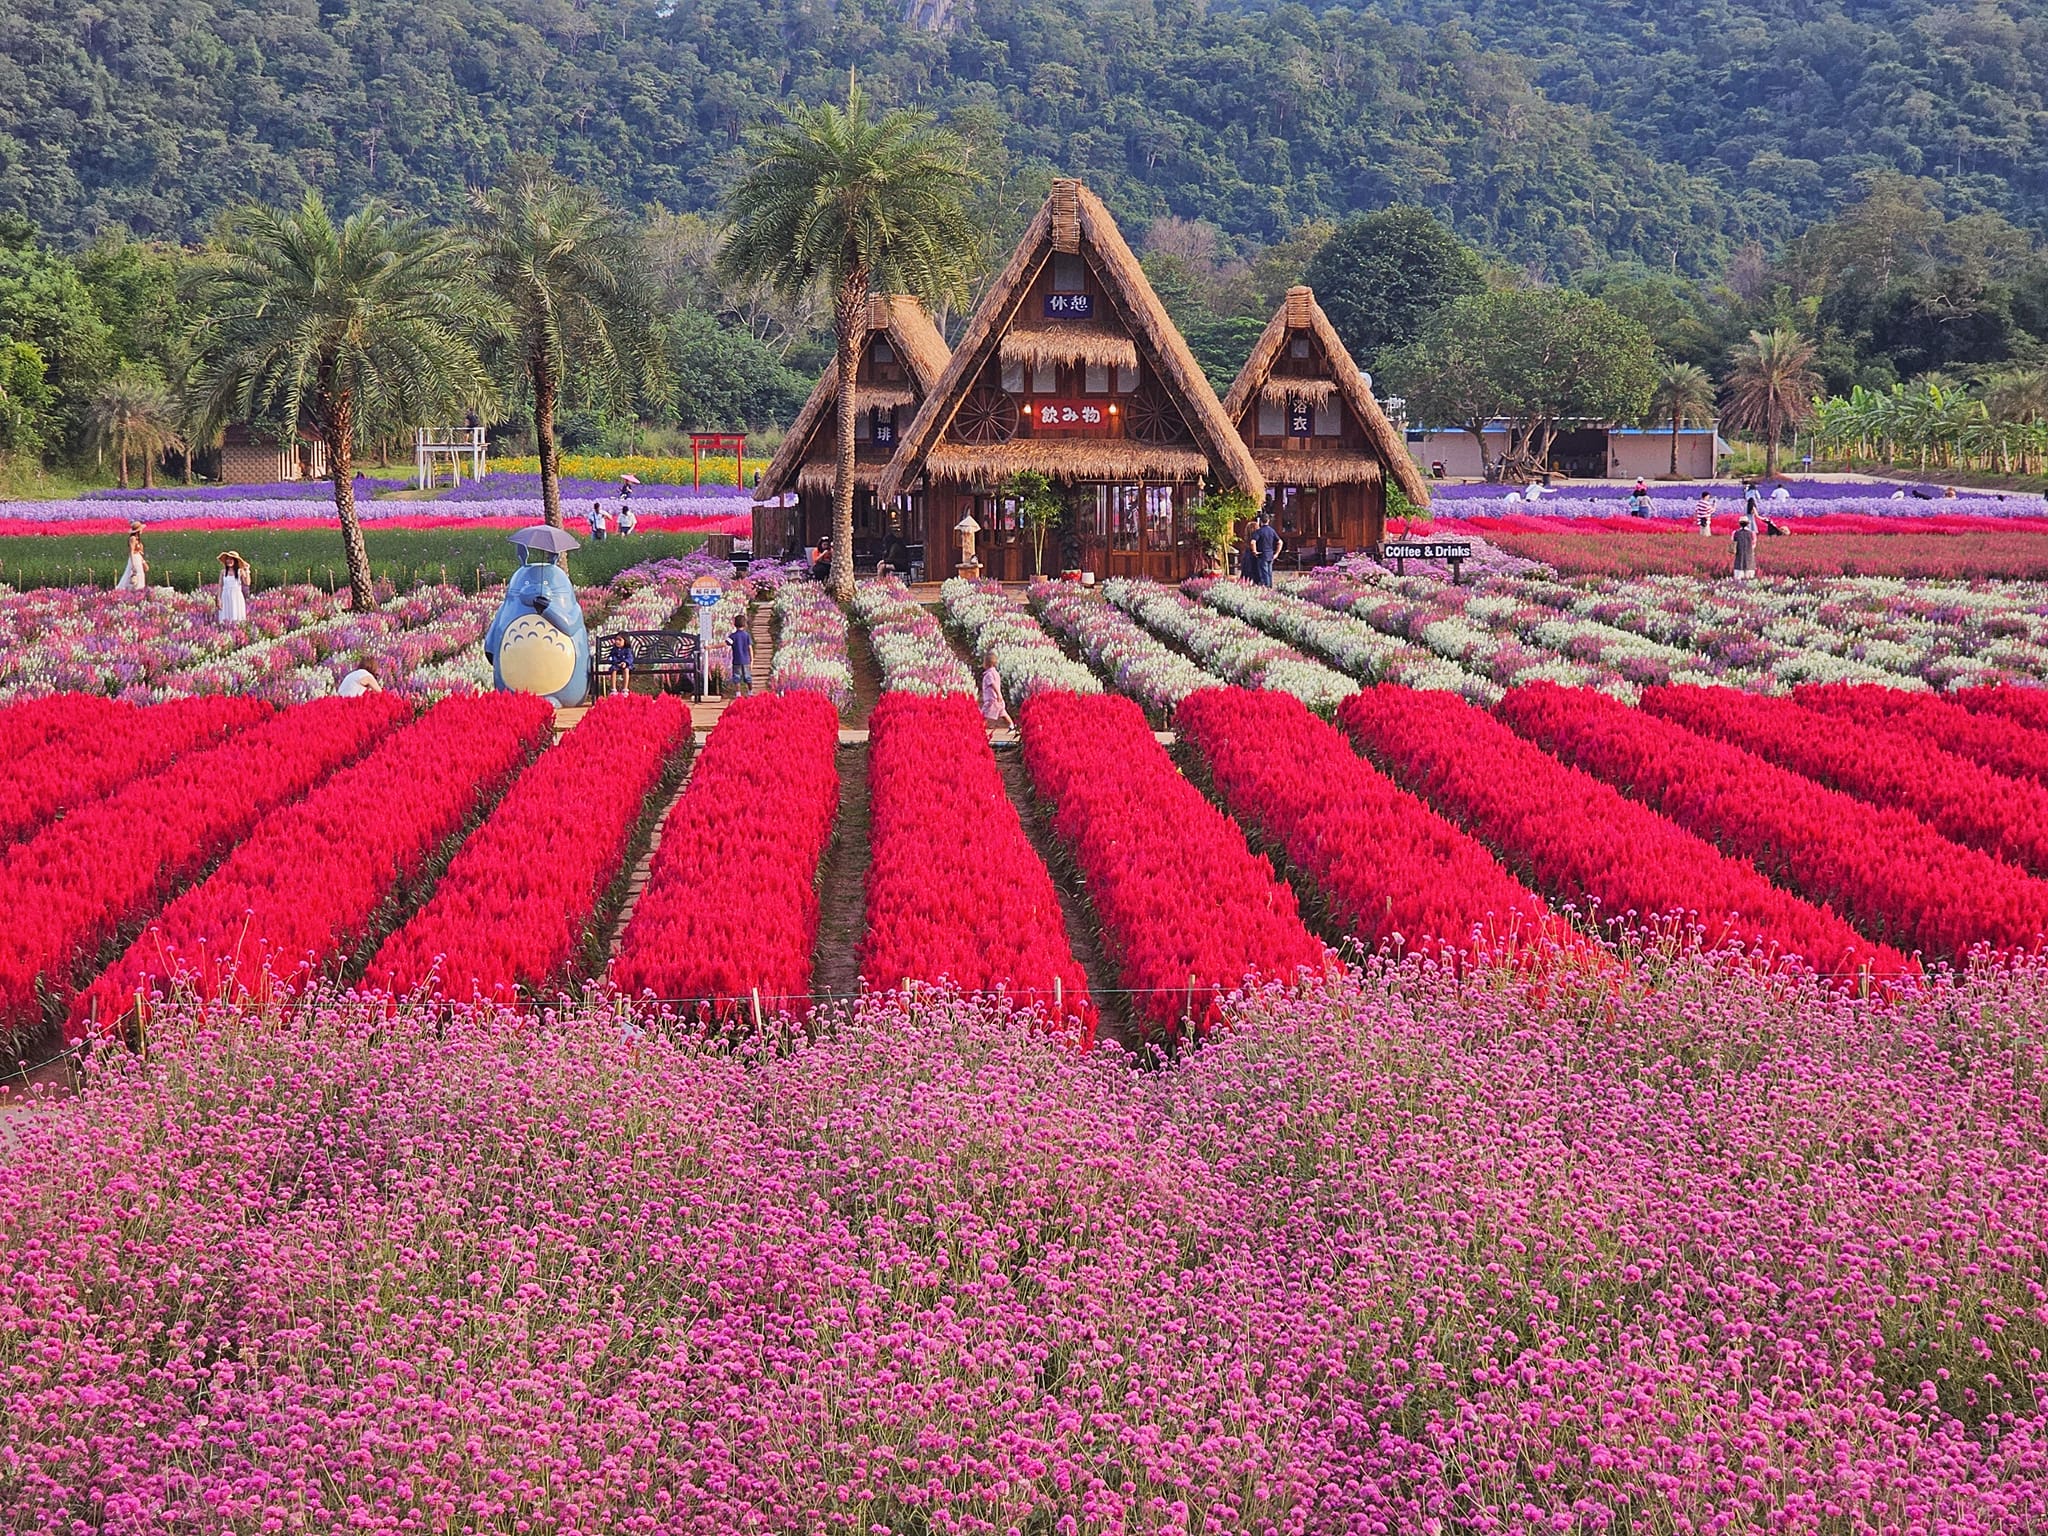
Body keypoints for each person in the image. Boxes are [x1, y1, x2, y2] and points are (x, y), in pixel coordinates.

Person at [217, 551, 250, 623]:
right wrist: (219, 599)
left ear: (235, 561)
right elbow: (220, 586)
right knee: (225, 616)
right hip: (225, 596)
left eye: (231, 559)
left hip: (236, 596)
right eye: (228, 559)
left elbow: (247, 583)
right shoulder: (223, 572)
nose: (229, 561)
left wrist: (247, 570)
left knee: (236, 615)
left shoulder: (240, 571)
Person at [980, 661, 1013, 732]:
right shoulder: (996, 673)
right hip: (998, 699)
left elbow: (993, 684)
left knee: (983, 715)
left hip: (991, 699)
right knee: (1003, 713)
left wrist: (998, 693)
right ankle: (1011, 725)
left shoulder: (989, 675)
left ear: (988, 664)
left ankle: (980, 729)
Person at [115, 523, 148, 591]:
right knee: (134, 574)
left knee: (140, 574)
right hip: (135, 559)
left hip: (138, 558)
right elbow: (131, 552)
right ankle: (128, 589)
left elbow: (139, 552)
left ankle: (139, 590)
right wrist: (133, 564)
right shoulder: (132, 538)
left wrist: (143, 562)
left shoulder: (137, 539)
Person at [1253, 512, 1281, 586]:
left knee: (1264, 573)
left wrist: (1254, 551)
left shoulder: (1259, 531)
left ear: (1260, 521)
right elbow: (1280, 542)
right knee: (1269, 572)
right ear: (1268, 520)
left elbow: (1252, 542)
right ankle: (1270, 587)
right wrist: (1277, 553)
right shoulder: (1272, 531)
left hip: (1262, 554)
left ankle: (1267, 588)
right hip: (1270, 554)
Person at [729, 611, 754, 695]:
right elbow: (750, 648)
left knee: (737, 677)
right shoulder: (746, 635)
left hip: (736, 661)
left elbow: (724, 644)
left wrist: (711, 647)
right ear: (745, 624)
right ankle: (750, 692)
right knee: (748, 677)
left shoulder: (733, 636)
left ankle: (738, 694)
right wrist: (752, 660)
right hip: (746, 661)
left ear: (734, 624)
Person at [1732, 511, 1757, 580]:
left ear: (1739, 524)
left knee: (1739, 570)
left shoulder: (1735, 533)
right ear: (1748, 524)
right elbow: (1754, 545)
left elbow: (1733, 543)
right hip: (1749, 554)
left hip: (1739, 554)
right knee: (1749, 570)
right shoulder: (1752, 533)